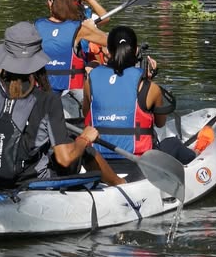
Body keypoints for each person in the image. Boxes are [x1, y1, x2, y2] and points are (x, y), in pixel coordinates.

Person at [0, 21, 125, 190]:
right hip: (32, 182)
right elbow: (64, 158)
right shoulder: (48, 100)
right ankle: (121, 186)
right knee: (83, 149)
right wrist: (85, 138)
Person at [83, 26, 195, 164]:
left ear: (108, 51)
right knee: (174, 144)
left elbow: (88, 115)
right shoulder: (150, 88)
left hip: (99, 161)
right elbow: (160, 123)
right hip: (139, 161)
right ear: (136, 50)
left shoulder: (90, 82)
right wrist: (148, 81)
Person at [34, 0, 109, 94]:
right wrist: (93, 30)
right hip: (69, 89)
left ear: (51, 4)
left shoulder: (37, 25)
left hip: (50, 89)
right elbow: (110, 41)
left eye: (48, 0)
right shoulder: (80, 27)